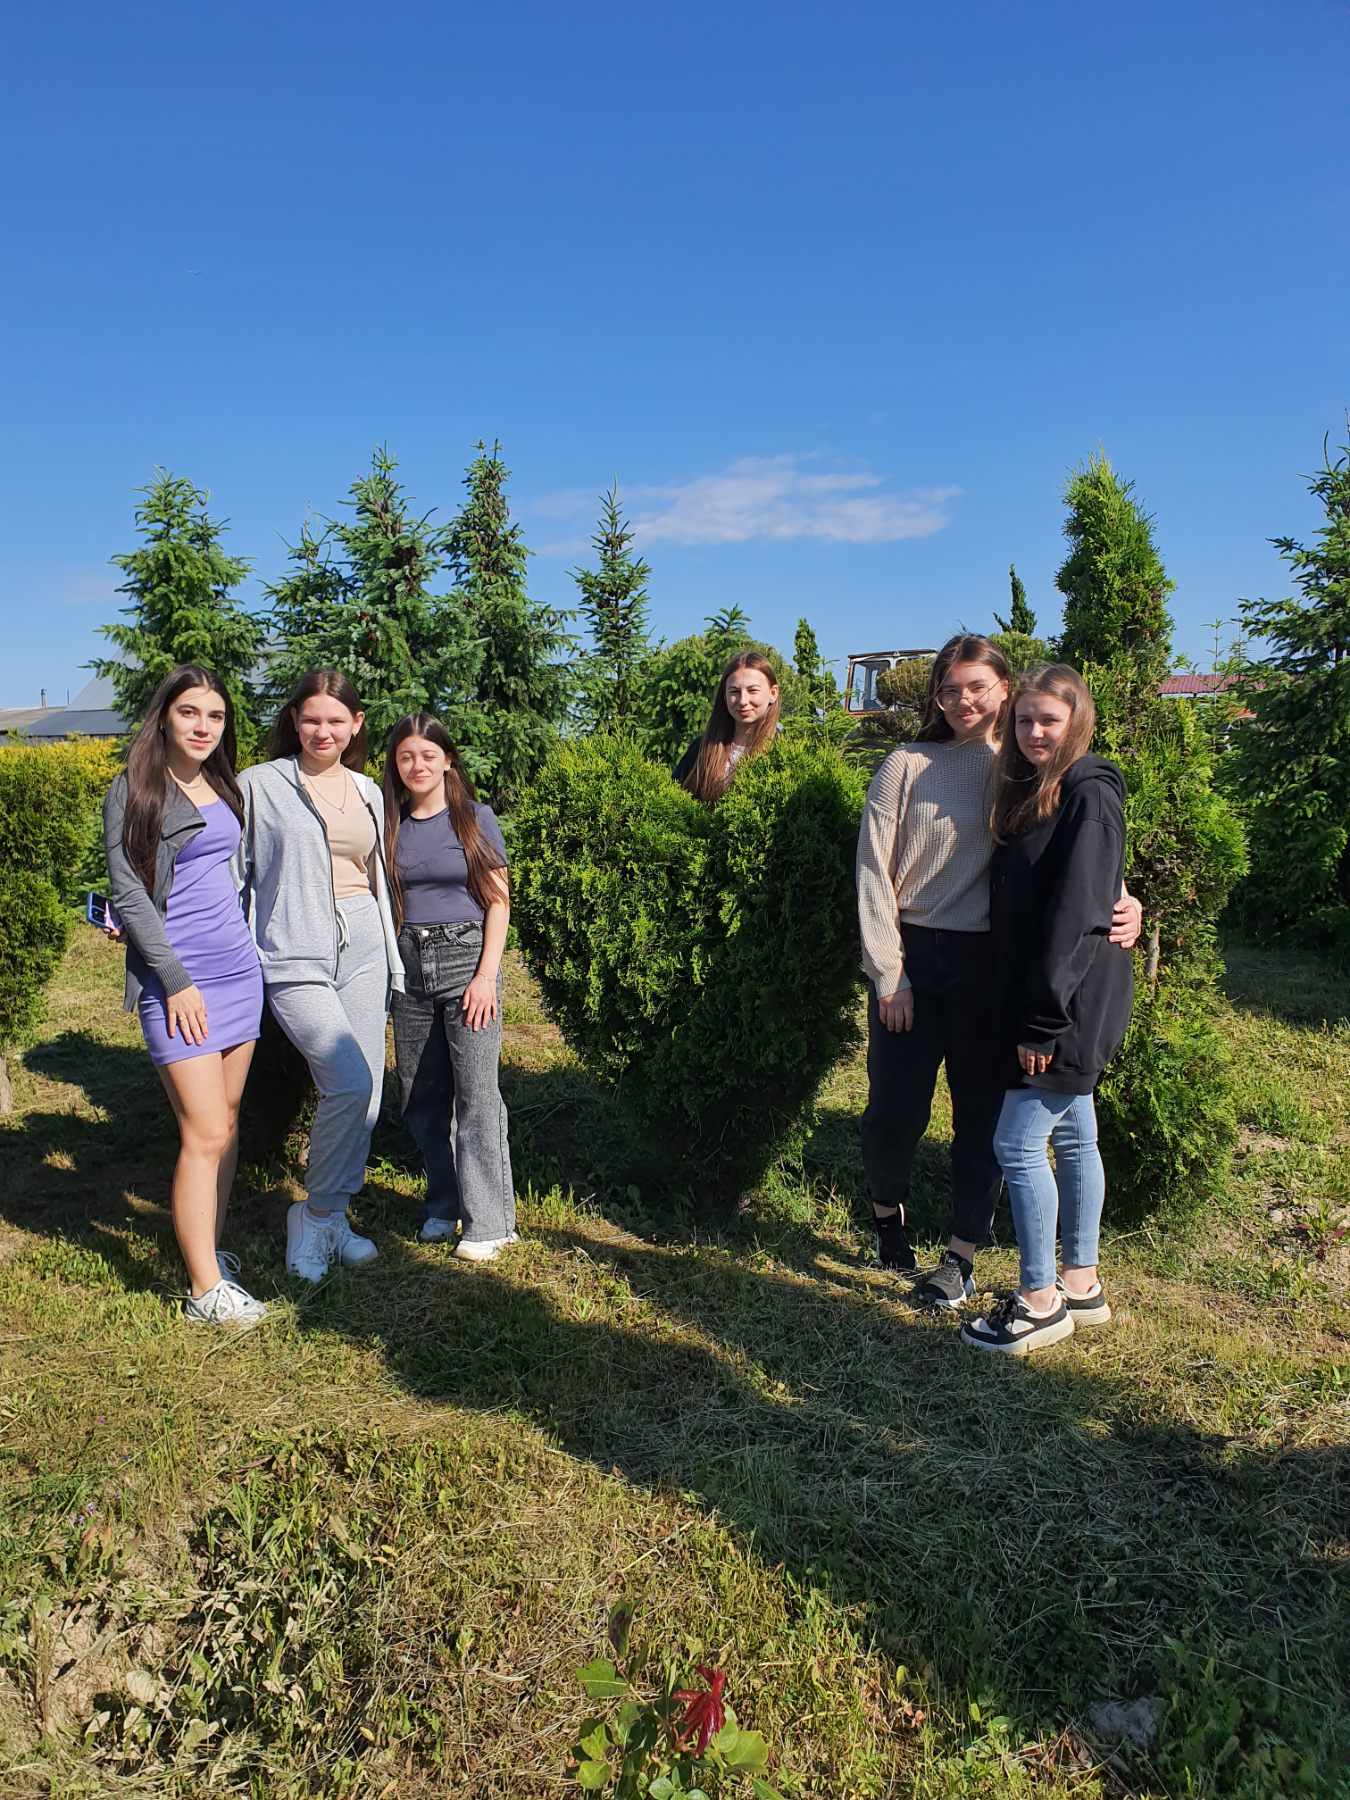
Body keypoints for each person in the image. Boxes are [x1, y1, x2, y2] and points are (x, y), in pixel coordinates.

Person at [855, 635, 1140, 1303]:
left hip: (991, 967)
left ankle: (961, 1253)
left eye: (977, 687)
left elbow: (1072, 860)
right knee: (894, 1110)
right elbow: (871, 871)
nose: (963, 700)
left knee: (980, 1118)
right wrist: (889, 974)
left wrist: (1127, 900)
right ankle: (888, 1217)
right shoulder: (907, 764)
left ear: (1005, 689)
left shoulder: (1028, 771)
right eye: (949, 689)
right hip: (914, 959)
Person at [961, 665, 1133, 1354]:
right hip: (1055, 996)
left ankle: (1039, 1302)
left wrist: (1042, 1023)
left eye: (1049, 721)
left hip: (1068, 1003)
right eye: (1025, 720)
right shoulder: (1042, 789)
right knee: (1075, 1137)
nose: (1035, 732)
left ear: (1077, 722)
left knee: (1016, 1143)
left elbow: (1077, 914)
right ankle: (1081, 1283)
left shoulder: (1089, 790)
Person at [103, 665, 265, 1327]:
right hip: (179, 983)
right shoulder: (135, 788)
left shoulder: (222, 784)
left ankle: (210, 1258)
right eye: (190, 712)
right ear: (165, 717)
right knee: (205, 1131)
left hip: (238, 973)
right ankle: (203, 1293)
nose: (203, 726)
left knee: (226, 1124)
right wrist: (175, 982)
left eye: (215, 716)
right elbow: (128, 893)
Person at [235, 670, 402, 1283]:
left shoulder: (367, 790)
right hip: (294, 947)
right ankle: (310, 1218)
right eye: (311, 719)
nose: (322, 731)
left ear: (356, 725)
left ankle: (330, 1214)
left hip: (364, 940)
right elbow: (232, 871)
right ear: (294, 722)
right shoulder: (261, 784)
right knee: (348, 1081)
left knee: (368, 1092)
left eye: (335, 720)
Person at [383, 713, 517, 1260]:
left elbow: (499, 901)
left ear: (447, 761)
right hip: (408, 967)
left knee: (476, 1095)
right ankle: (443, 1202)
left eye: (428, 755)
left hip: (466, 960)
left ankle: (490, 1222)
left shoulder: (473, 818)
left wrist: (486, 977)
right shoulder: (389, 823)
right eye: (406, 756)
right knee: (419, 1094)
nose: (417, 765)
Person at [674, 651, 781, 801]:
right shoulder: (701, 749)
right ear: (724, 696)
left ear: (773, 693)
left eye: (752, 690)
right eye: (734, 692)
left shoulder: (783, 749)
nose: (743, 701)